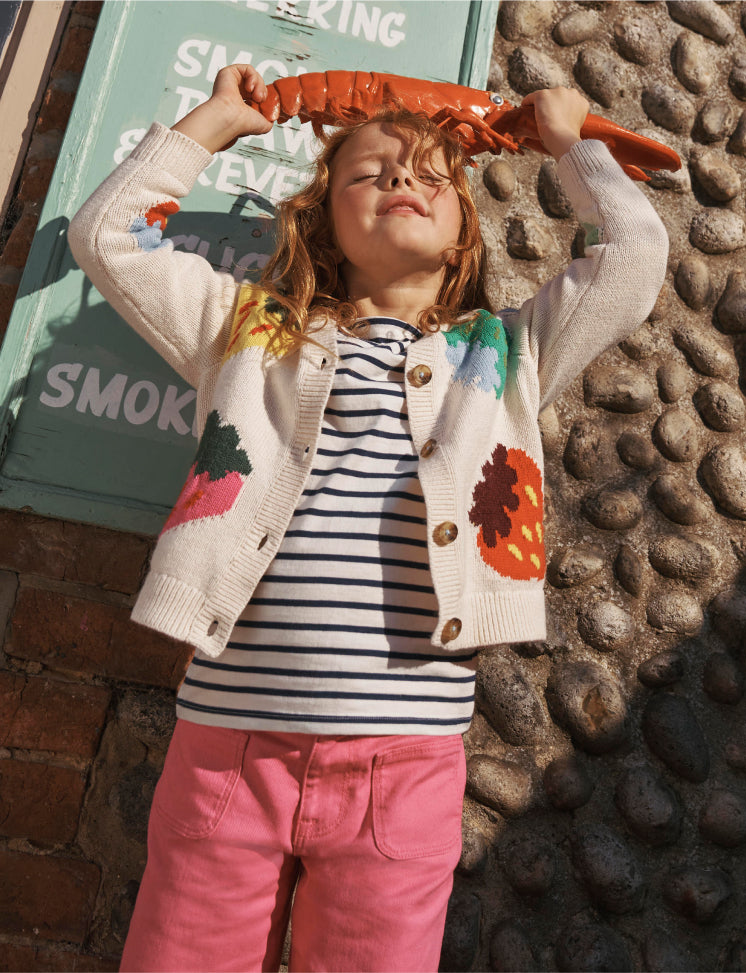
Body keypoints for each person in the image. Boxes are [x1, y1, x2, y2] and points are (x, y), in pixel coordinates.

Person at [68, 64, 669, 973]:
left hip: (404, 766)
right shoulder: (247, 333)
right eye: (370, 171)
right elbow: (107, 239)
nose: (403, 180)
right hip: (228, 751)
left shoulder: (506, 353)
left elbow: (629, 260)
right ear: (321, 220)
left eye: (433, 176)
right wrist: (213, 123)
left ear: (465, 228)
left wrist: (571, 138)